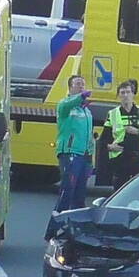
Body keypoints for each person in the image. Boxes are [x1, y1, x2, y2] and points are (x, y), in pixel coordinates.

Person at [54, 75, 94, 213]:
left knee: (80, 194)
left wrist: (90, 158)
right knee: (67, 191)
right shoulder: (65, 105)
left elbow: (89, 135)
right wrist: (81, 97)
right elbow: (67, 104)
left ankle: (76, 223)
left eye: (83, 84)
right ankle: (56, 223)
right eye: (78, 84)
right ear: (70, 88)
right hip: (70, 153)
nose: (81, 86)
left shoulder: (86, 111)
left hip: (84, 155)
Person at [105, 80, 139, 190]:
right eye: (122, 93)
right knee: (120, 191)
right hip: (120, 159)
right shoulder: (112, 114)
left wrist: (138, 132)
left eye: (128, 92)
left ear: (133, 94)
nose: (125, 95)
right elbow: (104, 138)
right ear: (118, 96)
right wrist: (109, 146)